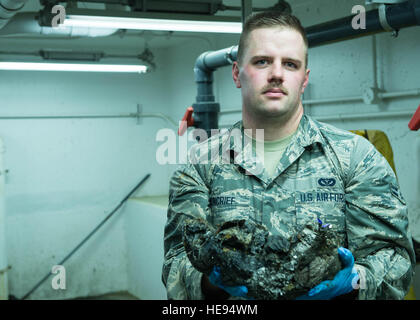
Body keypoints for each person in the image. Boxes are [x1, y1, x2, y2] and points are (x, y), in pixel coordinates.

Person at [162, 11, 415, 300]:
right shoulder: (200, 165)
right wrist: (211, 283)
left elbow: (397, 261)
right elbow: (174, 265)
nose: (277, 74)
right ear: (236, 73)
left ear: (304, 79)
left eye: (290, 64)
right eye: (261, 61)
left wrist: (355, 281)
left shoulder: (355, 158)